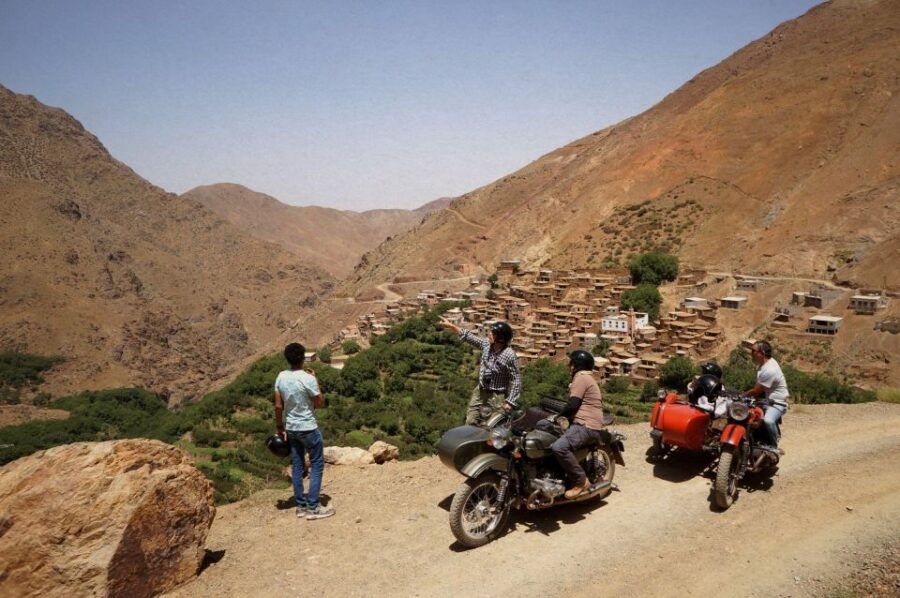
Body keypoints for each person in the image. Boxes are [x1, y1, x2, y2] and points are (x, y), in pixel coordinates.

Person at [275, 342, 335, 520]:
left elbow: (278, 406)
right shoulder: (308, 378)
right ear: (303, 358)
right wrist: (315, 380)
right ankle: (313, 507)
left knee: (297, 465)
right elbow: (319, 403)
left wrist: (279, 427)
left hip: (291, 428)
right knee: (317, 464)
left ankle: (300, 506)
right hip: (308, 428)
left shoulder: (281, 377)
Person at [439, 318, 521, 424]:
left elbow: (516, 379)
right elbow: (469, 337)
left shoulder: (509, 355)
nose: (489, 334)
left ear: (500, 338)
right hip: (480, 392)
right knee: (470, 421)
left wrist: (510, 402)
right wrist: (451, 326)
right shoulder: (486, 345)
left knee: (492, 425)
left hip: (497, 396)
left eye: (493, 333)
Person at [551, 349, 605, 499]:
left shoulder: (581, 378)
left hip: (586, 425)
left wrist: (557, 417)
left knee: (559, 447)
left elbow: (573, 404)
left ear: (576, 366)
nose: (569, 367)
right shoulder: (587, 378)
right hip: (585, 423)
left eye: (571, 364)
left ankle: (581, 481)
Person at [741, 340, 789, 449]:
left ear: (762, 352)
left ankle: (773, 446)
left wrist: (741, 396)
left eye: (753, 351)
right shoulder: (765, 364)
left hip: (777, 402)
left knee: (768, 420)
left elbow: (757, 390)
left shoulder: (769, 369)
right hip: (765, 399)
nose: (751, 353)